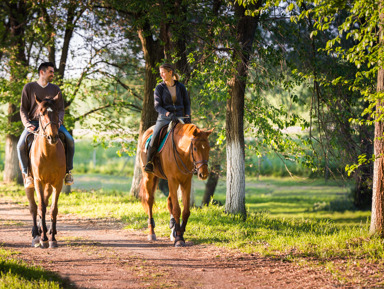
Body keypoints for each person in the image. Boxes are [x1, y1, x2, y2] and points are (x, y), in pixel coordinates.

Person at [17, 62, 75, 189]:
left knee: (70, 140)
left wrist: (59, 121)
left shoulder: (55, 89)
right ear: (42, 72)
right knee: (20, 145)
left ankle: (68, 172)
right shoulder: (29, 88)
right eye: (51, 72)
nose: (53, 74)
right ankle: (27, 175)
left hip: (53, 123)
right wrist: (27, 124)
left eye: (53, 72)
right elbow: (23, 109)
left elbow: (61, 109)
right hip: (33, 123)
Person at [144, 63, 191, 173]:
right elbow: (157, 106)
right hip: (164, 118)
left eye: (163, 73)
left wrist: (188, 115)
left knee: (193, 136)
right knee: (155, 137)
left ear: (170, 72)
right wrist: (168, 114)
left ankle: (192, 162)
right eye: (160, 73)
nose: (162, 75)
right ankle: (149, 162)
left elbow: (187, 104)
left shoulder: (181, 87)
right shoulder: (159, 88)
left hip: (180, 117)